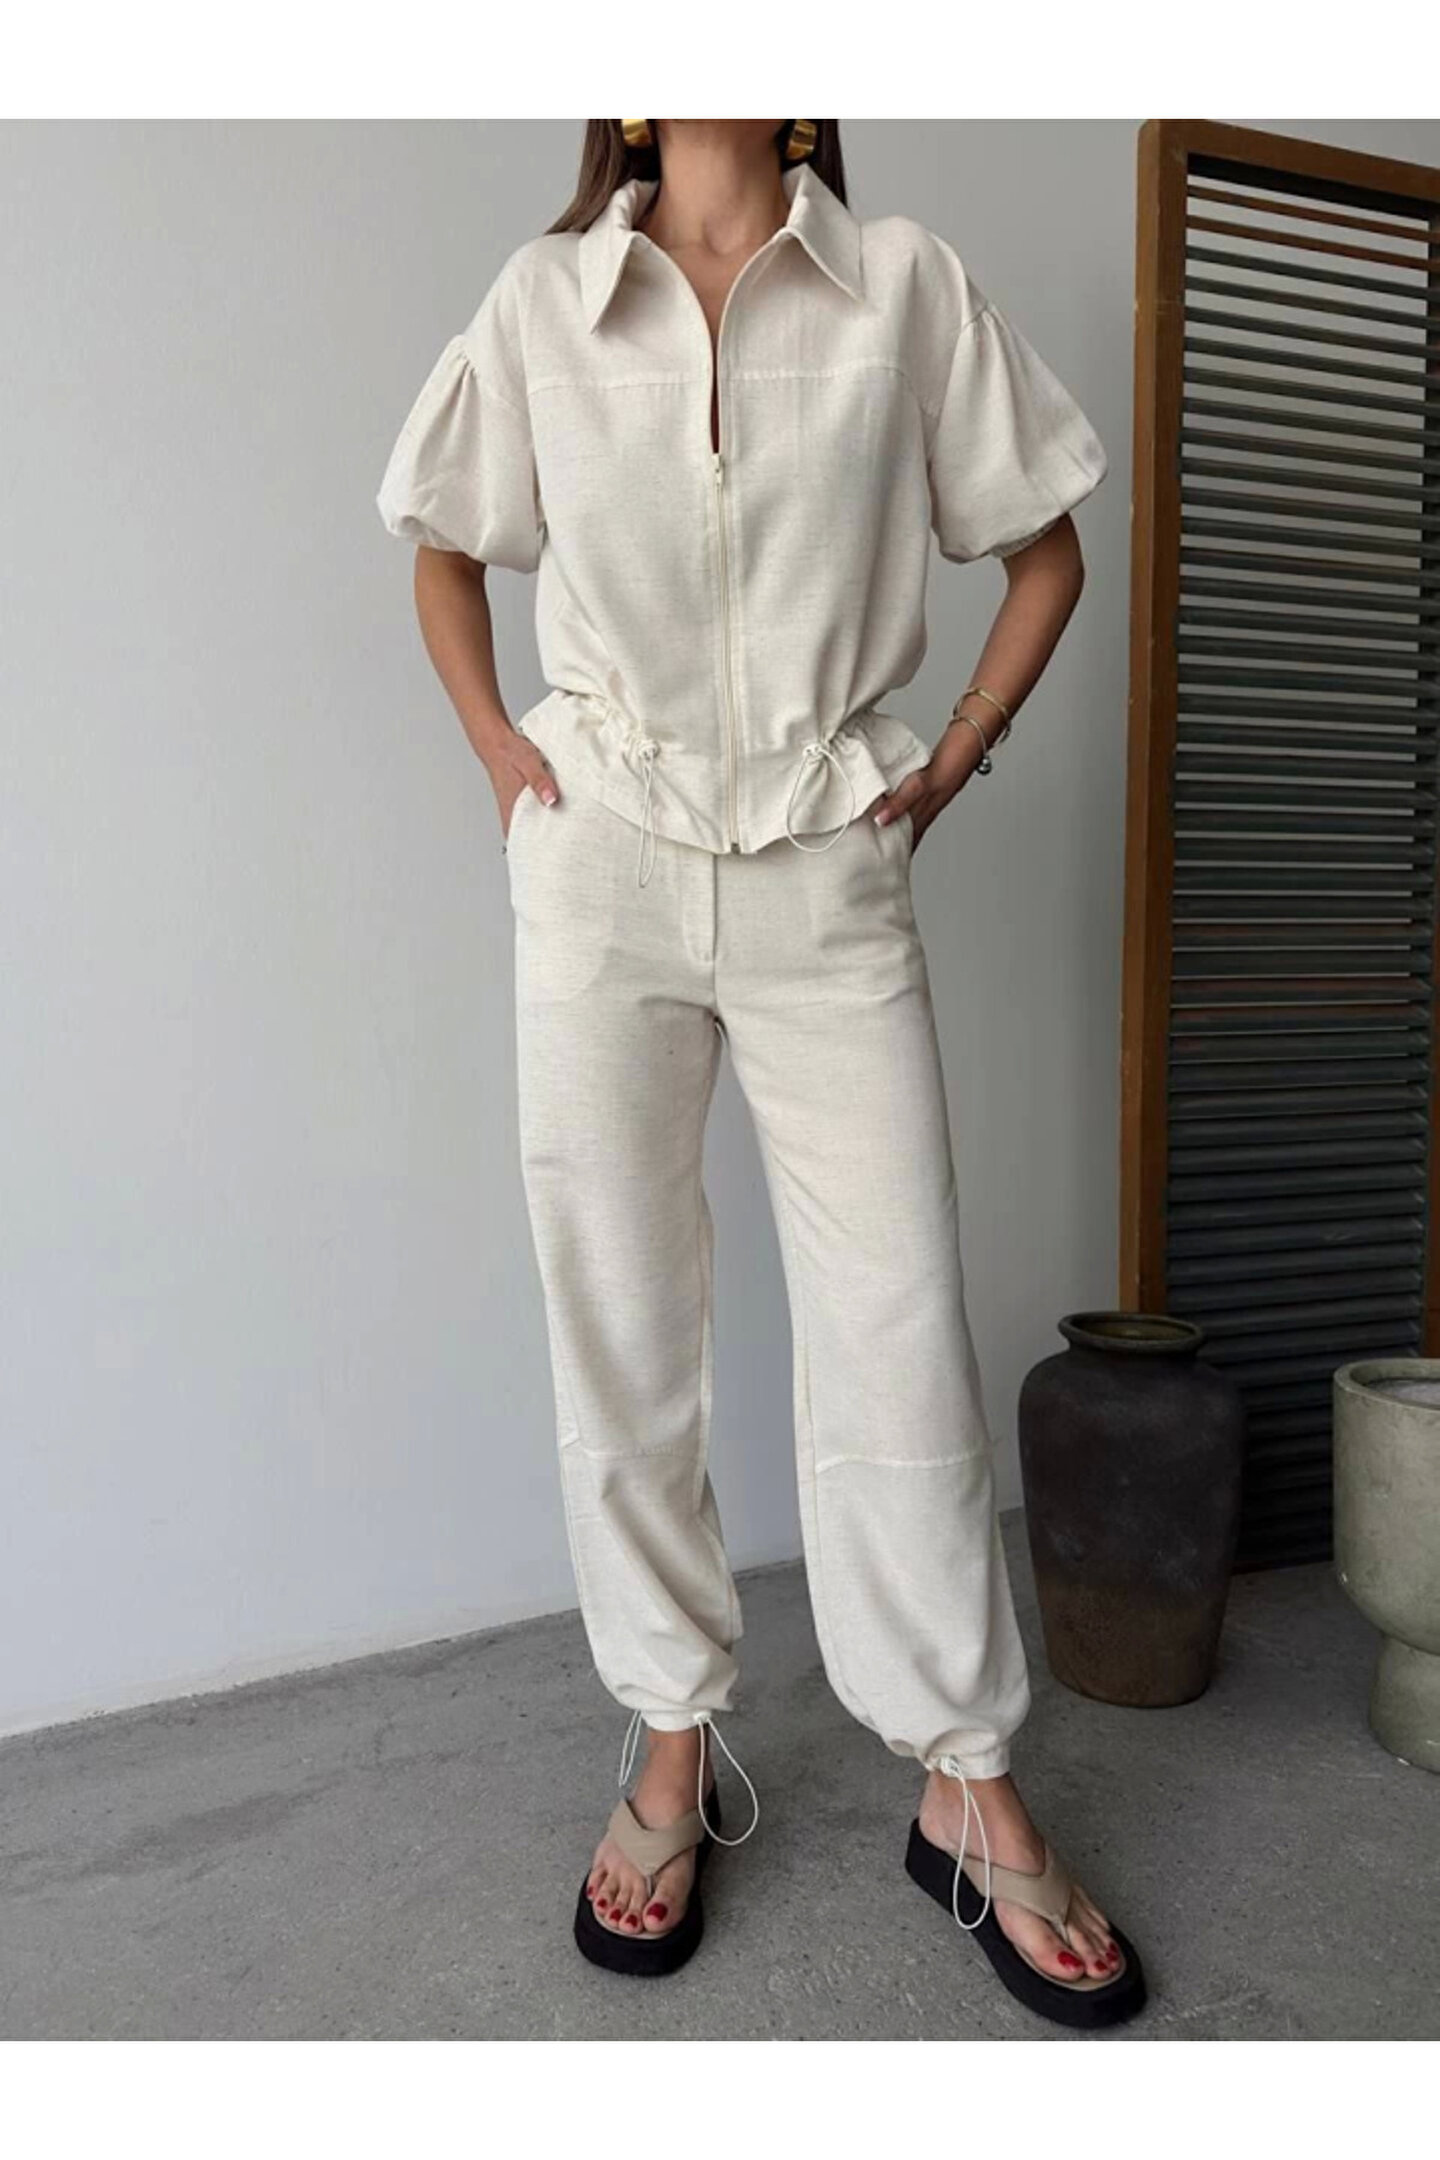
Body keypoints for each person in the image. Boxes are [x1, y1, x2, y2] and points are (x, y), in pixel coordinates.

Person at [377, 118, 1145, 2029]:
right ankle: (668, 1741)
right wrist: (499, 755)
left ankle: (964, 1779)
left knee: (898, 1320)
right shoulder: (546, 300)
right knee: (622, 1322)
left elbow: (1047, 547)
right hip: (605, 871)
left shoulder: (904, 288)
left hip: (826, 859)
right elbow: (444, 542)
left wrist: (949, 757)